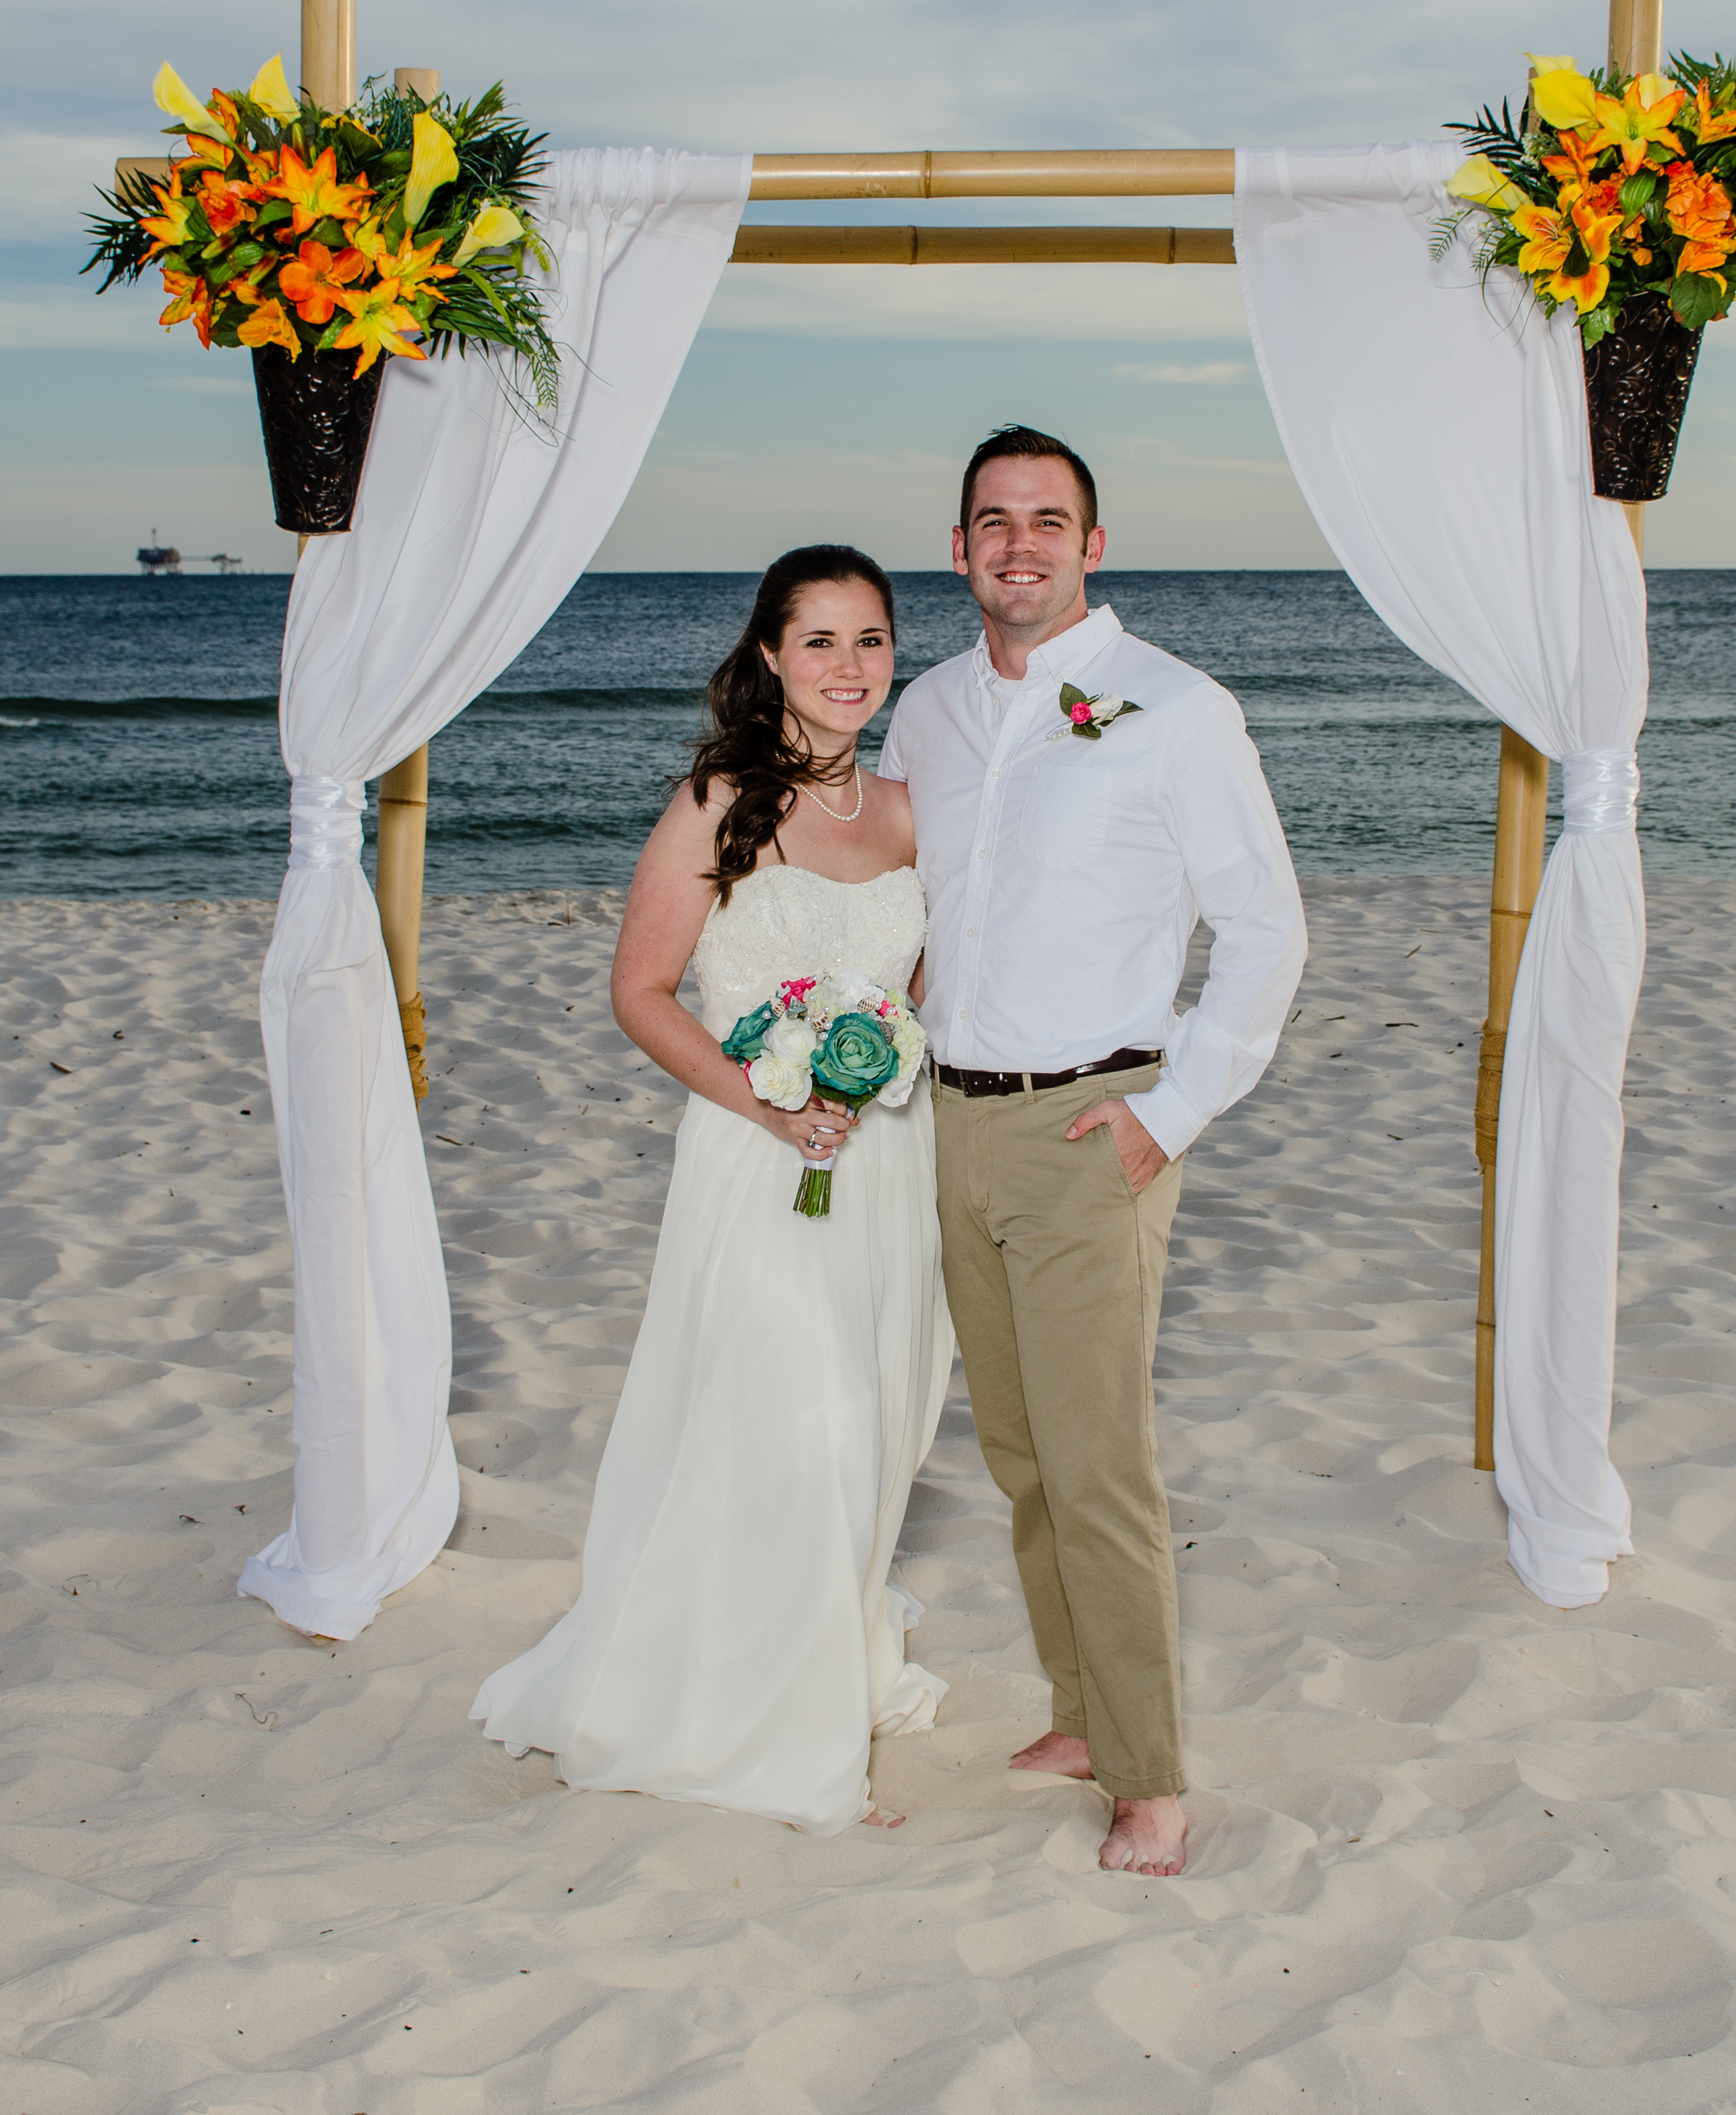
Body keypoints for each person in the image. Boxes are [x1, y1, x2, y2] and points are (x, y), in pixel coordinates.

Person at [472, 546, 953, 1837]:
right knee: (798, 1421)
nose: (848, 666)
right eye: (819, 642)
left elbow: (916, 987)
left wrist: (877, 1066)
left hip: (886, 1159)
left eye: (869, 639)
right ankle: (767, 1732)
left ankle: (822, 1661)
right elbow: (639, 992)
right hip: (757, 1159)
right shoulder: (716, 799)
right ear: (766, 658)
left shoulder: (913, 810)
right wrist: (773, 1101)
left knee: (878, 1426)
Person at [879, 427, 1305, 1878]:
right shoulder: (925, 713)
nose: (1019, 544)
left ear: (1092, 546)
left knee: (1101, 1465)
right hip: (949, 1118)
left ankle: (1148, 1776)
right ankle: (1076, 1709)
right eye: (991, 521)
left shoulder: (1174, 707)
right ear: (957, 551)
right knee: (1018, 1456)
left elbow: (1264, 930)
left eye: (1047, 520)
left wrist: (1165, 1114)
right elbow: (918, 919)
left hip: (1088, 1125)